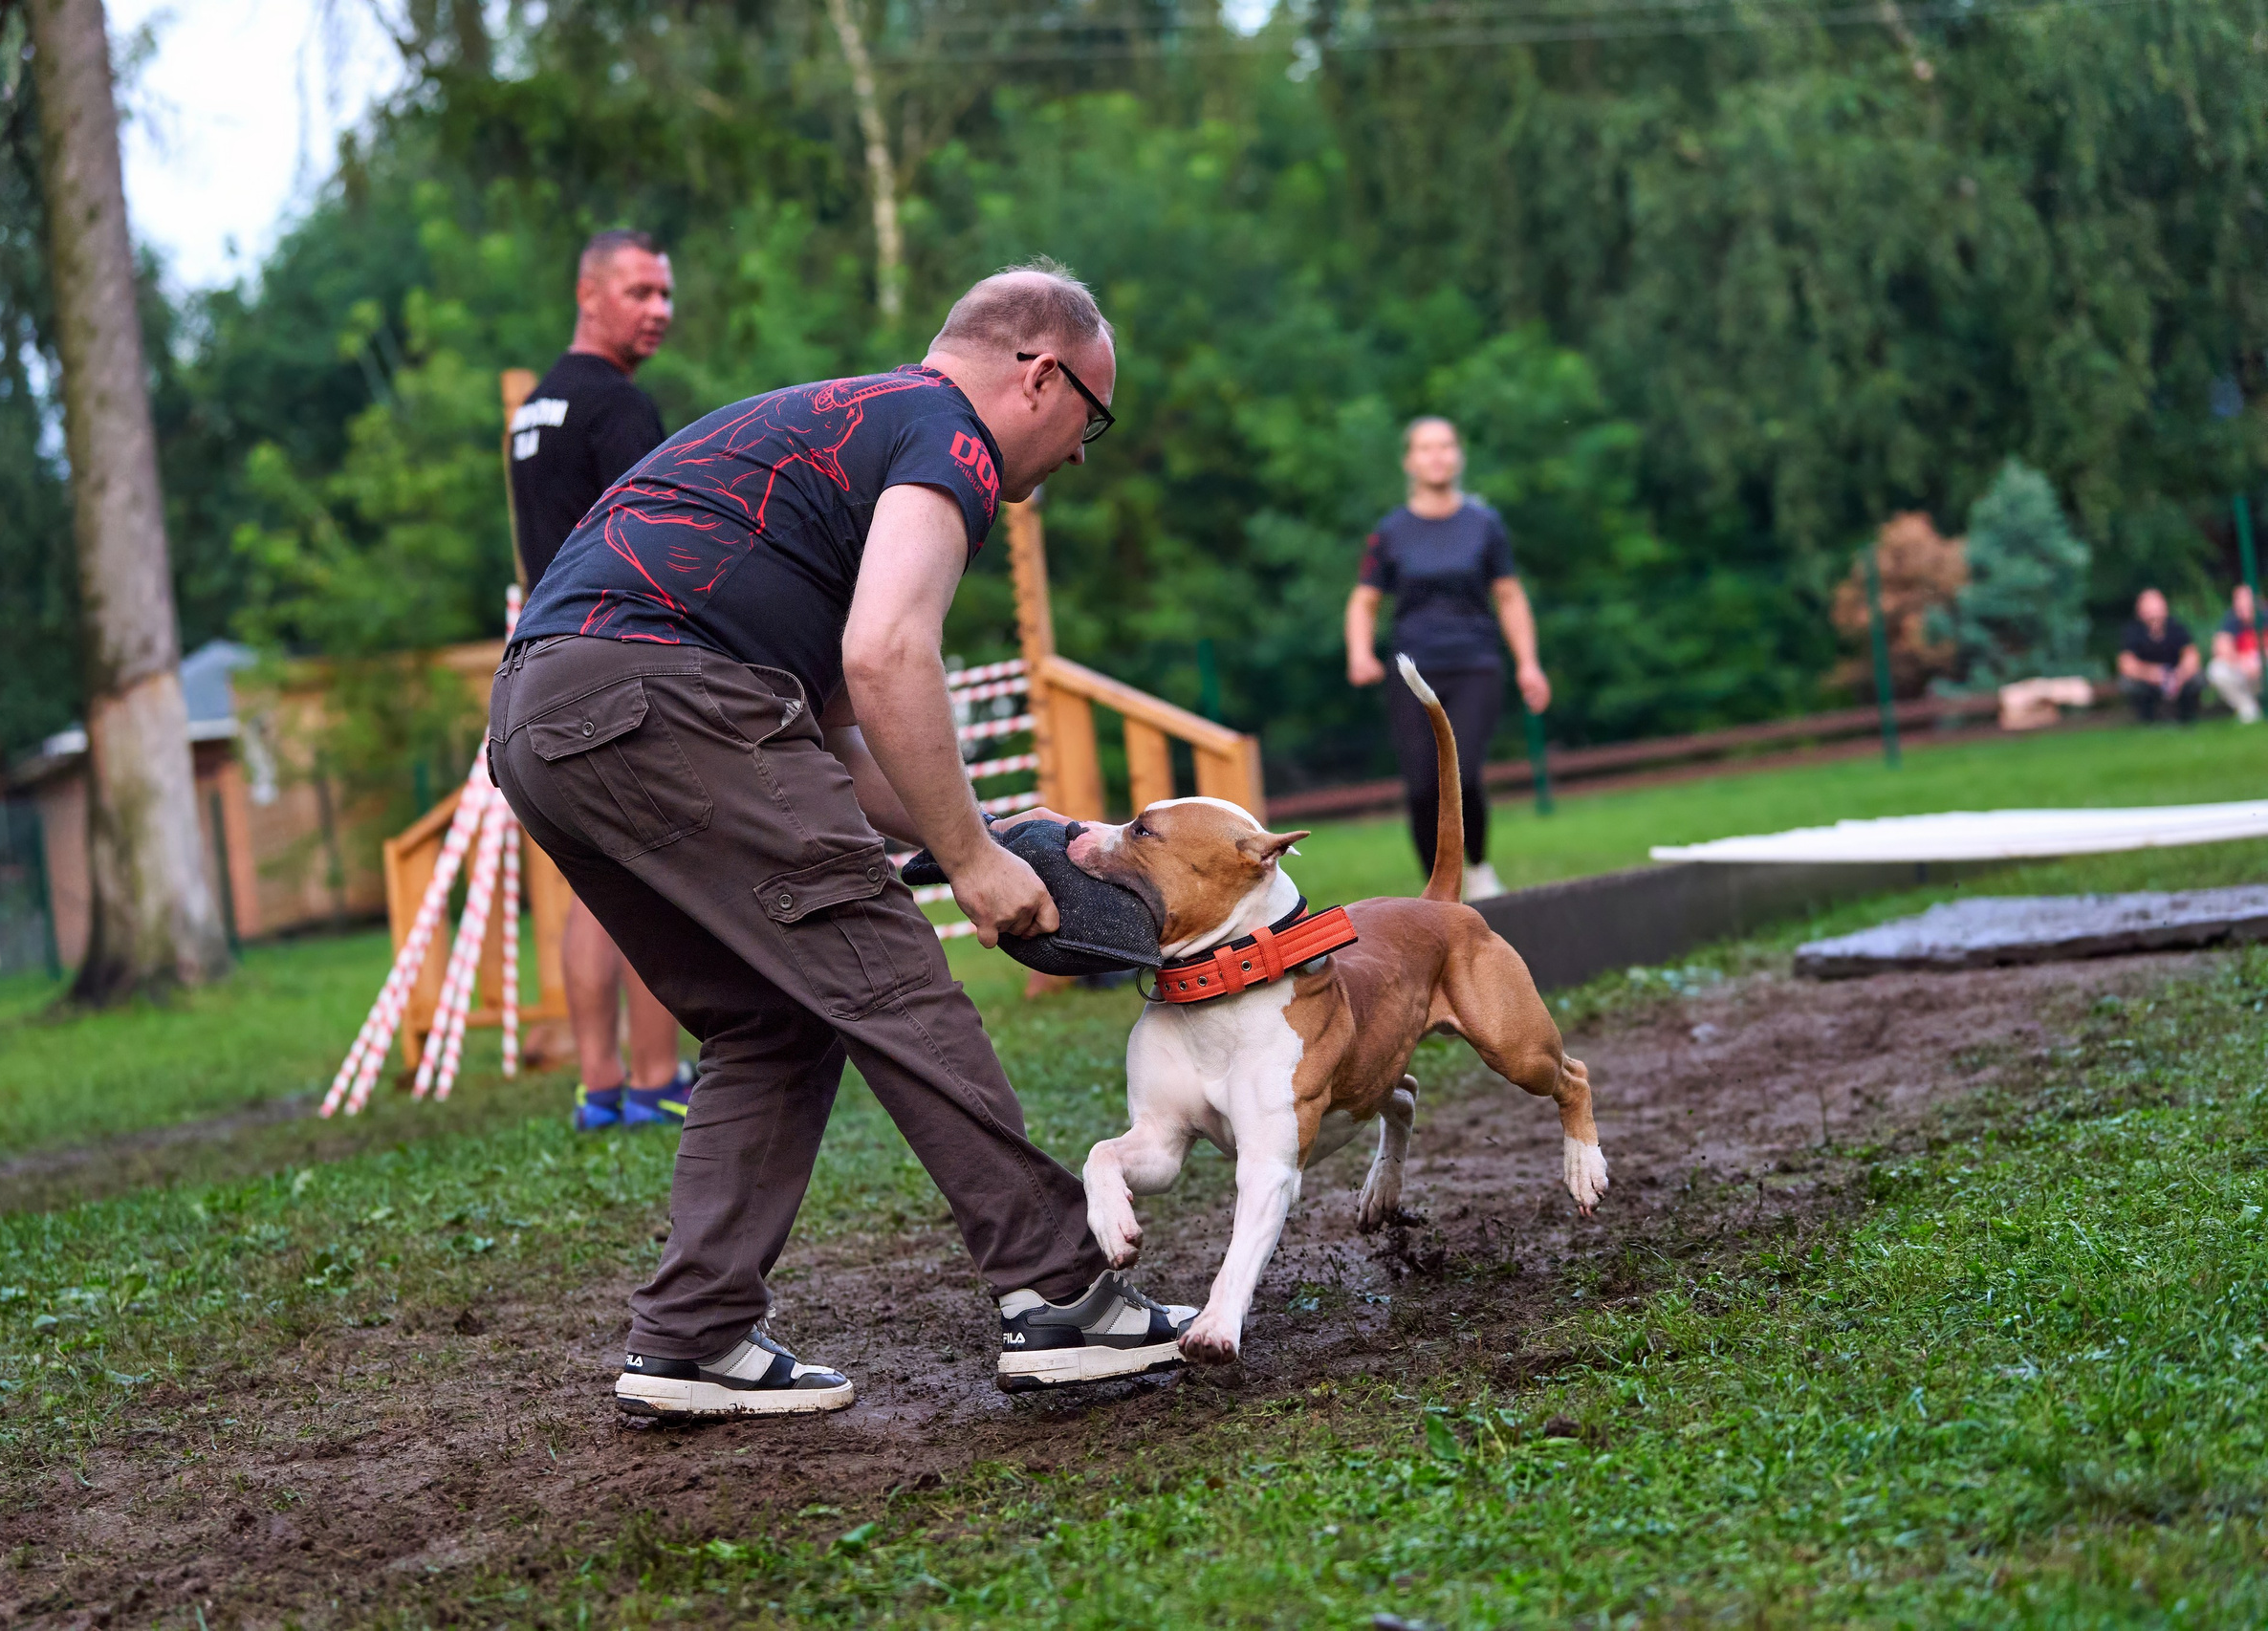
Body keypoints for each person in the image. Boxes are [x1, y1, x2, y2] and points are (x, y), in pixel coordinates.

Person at [492, 259, 1196, 1418]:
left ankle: (693, 1338)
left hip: (543, 720)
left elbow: (827, 741)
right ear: (1038, 374)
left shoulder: (837, 435)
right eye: (1093, 417)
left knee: (770, 1016)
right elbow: (887, 656)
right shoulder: (947, 434)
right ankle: (1059, 1297)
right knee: (890, 978)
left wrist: (987, 833)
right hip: (664, 695)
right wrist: (968, 865)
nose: (1081, 453)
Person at [508, 228, 691, 1131]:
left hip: (542, 664)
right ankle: (656, 1079)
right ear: (588, 295)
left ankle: (601, 1084)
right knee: (658, 877)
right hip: (616, 663)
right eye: (638, 292)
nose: (658, 310)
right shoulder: (616, 405)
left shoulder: (534, 408)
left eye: (664, 293)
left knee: (598, 883)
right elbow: (652, 545)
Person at [1343, 416, 1550, 900]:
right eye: (1425, 447)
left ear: (1459, 456)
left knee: (1463, 773)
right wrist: (1360, 652)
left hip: (1475, 664)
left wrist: (1529, 664)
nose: (1436, 455)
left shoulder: (1484, 524)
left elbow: (1510, 596)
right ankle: (1436, 894)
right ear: (1409, 461)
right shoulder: (1391, 531)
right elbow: (1364, 600)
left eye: (1445, 446)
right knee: (1422, 786)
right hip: (1413, 670)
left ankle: (1477, 868)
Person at [2117, 587, 2202, 724]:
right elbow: (2126, 663)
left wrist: (2179, 675)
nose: (2154, 614)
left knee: (2197, 677)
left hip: (2176, 676)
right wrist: (2153, 674)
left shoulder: (2177, 627)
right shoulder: (2132, 632)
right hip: (2147, 679)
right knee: (2128, 683)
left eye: (2157, 609)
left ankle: (2187, 715)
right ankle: (2147, 717)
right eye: (2149, 610)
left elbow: (2191, 655)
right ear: (2140, 612)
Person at [2208, 583, 2262, 725]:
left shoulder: (2264, 617)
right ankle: (2248, 709)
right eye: (2239, 600)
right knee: (2216, 669)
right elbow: (2221, 647)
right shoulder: (2231, 621)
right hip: (2241, 670)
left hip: (2263, 670)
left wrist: (2258, 661)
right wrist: (2242, 661)